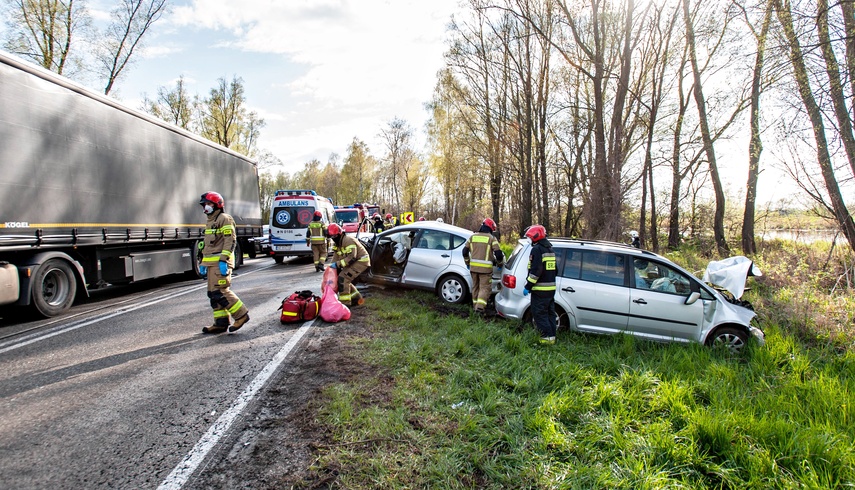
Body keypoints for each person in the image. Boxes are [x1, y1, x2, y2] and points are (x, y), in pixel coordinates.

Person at [198, 191, 250, 334]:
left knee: (220, 292)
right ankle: (221, 323)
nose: (205, 207)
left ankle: (241, 315)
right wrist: (203, 263)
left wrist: (223, 260)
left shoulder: (224, 219)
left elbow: (230, 241)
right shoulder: (210, 222)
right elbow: (208, 245)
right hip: (210, 265)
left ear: (217, 205)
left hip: (220, 263)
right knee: (212, 294)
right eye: (204, 205)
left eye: (208, 204)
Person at [523, 225, 557, 344]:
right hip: (551, 289)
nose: (530, 240)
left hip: (540, 290)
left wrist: (528, 286)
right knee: (549, 313)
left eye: (531, 238)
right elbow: (555, 270)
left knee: (539, 314)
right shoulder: (550, 249)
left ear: (536, 236)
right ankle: (552, 336)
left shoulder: (537, 249)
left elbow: (536, 271)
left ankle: (546, 339)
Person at [462, 218, 504, 315]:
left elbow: (464, 251)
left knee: (475, 287)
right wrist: (500, 264)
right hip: (485, 270)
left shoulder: (472, 237)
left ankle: (475, 306)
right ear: (490, 228)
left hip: (473, 268)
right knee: (484, 288)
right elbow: (499, 254)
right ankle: (480, 309)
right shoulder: (492, 238)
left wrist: (467, 263)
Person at [327, 223, 371, 306]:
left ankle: (345, 304)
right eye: (331, 237)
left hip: (361, 261)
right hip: (354, 262)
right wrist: (331, 266)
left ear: (340, 234)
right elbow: (336, 256)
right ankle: (357, 299)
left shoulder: (348, 240)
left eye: (334, 236)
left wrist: (337, 264)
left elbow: (352, 257)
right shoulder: (338, 243)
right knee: (345, 279)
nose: (333, 239)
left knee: (343, 278)